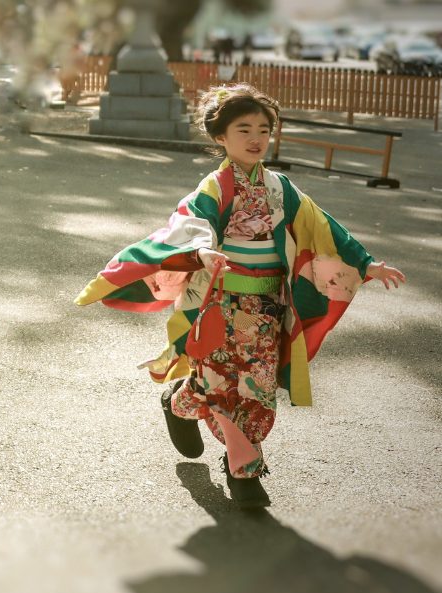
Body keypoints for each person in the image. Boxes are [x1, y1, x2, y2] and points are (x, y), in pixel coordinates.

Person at [75, 84, 405, 509]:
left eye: (264, 130)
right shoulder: (214, 187)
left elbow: (322, 228)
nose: (256, 139)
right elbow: (190, 222)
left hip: (266, 309)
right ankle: (239, 464)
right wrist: (201, 250)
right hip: (220, 305)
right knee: (218, 385)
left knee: (256, 388)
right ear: (221, 138)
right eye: (244, 129)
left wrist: (366, 263)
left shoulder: (280, 188)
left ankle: (193, 419)